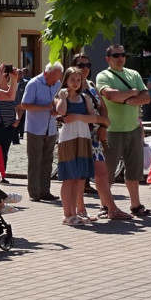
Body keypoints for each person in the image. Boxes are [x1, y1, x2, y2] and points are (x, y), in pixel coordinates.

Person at [97, 45, 151, 217]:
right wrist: (132, 94)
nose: (120, 58)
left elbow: (146, 98)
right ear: (108, 58)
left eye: (123, 54)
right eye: (116, 55)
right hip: (112, 130)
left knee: (134, 171)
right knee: (107, 171)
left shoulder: (133, 74)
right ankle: (105, 206)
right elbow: (110, 96)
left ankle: (136, 205)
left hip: (133, 128)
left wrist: (125, 98)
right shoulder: (103, 75)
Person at [72, 54, 129, 219]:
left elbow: (102, 106)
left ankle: (111, 208)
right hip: (78, 135)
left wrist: (103, 126)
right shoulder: (71, 87)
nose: (85, 68)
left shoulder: (90, 85)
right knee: (81, 174)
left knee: (101, 173)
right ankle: (80, 210)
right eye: (80, 65)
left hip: (95, 135)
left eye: (88, 65)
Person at [55, 67, 98, 225]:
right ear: (65, 80)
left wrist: (78, 117)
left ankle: (74, 213)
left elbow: (93, 117)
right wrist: (63, 97)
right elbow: (60, 111)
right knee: (69, 178)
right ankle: (67, 214)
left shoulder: (85, 97)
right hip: (68, 139)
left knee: (78, 177)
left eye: (78, 80)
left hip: (83, 138)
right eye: (72, 79)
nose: (75, 83)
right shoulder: (61, 96)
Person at [19, 62, 64, 202]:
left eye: (58, 78)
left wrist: (57, 110)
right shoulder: (33, 84)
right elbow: (24, 105)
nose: (55, 81)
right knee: (35, 161)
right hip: (35, 128)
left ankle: (45, 191)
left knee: (48, 161)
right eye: (53, 78)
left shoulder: (57, 84)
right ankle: (34, 192)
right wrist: (46, 107)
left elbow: (58, 101)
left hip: (51, 128)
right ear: (46, 73)